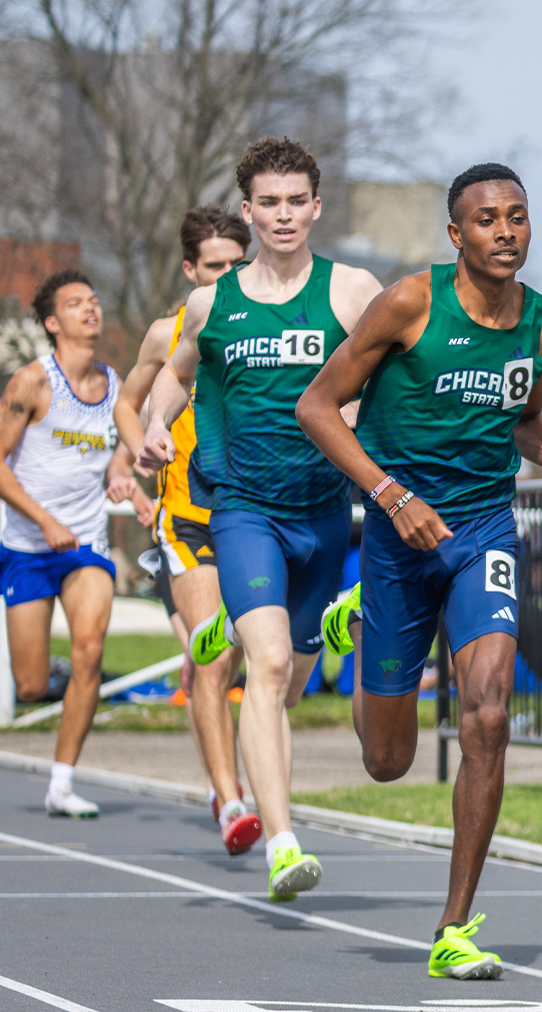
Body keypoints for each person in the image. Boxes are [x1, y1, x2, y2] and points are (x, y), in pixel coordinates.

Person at [298, 163, 542, 979]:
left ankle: (454, 925)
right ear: (457, 235)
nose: (506, 232)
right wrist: (391, 497)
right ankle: (361, 620)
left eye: (519, 217)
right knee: (386, 761)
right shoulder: (409, 304)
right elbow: (317, 406)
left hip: (482, 532)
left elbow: (526, 422)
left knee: (490, 715)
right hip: (400, 537)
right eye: (487, 220)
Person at [138, 136, 385, 902]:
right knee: (269, 666)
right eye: (267, 204)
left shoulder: (352, 291)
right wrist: (152, 426)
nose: (282, 216)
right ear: (249, 212)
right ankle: (281, 840)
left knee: (296, 674)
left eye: (295, 202)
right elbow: (176, 377)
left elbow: (399, 370)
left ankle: (252, 631)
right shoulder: (213, 303)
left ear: (316, 207)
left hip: (324, 511)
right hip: (242, 508)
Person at [122, 206, 257, 853]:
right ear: (189, 269)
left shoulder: (267, 323)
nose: (226, 276)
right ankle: (231, 802)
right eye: (214, 267)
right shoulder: (166, 331)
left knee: (269, 666)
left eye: (237, 264)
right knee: (213, 657)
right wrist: (142, 445)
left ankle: (233, 768)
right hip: (187, 519)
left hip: (259, 517)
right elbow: (128, 400)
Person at [1, 270, 147, 818]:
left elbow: (122, 451)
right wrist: (42, 521)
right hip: (27, 547)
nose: (90, 309)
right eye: (75, 304)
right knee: (32, 683)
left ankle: (62, 783)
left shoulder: (115, 386)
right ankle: (52, 679)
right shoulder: (30, 384)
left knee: (91, 649)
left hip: (84, 543)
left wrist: (124, 478)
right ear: (51, 322)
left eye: (93, 300)